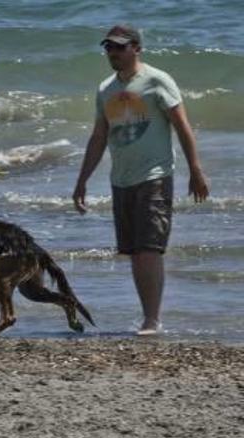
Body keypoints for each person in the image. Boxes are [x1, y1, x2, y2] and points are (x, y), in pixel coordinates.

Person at [72, 25, 210, 336]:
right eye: (108, 47)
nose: (113, 53)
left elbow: (182, 126)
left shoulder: (157, 80)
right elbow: (98, 137)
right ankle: (148, 316)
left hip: (155, 176)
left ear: (136, 48)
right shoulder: (106, 88)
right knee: (134, 251)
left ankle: (152, 320)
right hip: (121, 180)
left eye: (119, 47)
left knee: (149, 248)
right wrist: (81, 181)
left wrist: (196, 170)